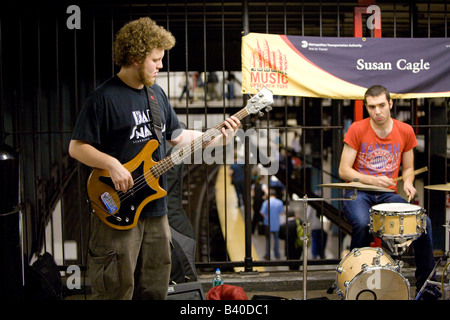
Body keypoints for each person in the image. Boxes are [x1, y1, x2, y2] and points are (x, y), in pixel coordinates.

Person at [68, 17, 240, 300]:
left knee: (155, 285)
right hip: (117, 206)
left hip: (155, 208)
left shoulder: (155, 95)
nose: (161, 65)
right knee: (115, 288)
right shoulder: (102, 99)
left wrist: (218, 137)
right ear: (135, 57)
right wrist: (111, 164)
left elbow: (176, 136)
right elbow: (77, 147)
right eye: (156, 59)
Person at [338, 85, 438, 299]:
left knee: (425, 223)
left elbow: (408, 168)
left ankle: (426, 286)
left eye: (382, 105)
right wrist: (373, 179)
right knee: (363, 224)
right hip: (358, 191)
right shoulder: (357, 129)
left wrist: (409, 182)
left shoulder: (405, 130)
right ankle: (354, 280)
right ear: (366, 107)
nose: (378, 111)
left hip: (387, 194)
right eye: (372, 107)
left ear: (390, 104)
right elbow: (343, 170)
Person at [260, 188, 284, 260]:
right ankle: (277, 254)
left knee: (268, 240)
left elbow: (262, 212)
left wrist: (266, 216)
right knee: (276, 240)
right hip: (276, 224)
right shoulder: (279, 202)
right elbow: (281, 213)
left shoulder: (266, 202)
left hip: (268, 223)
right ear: (275, 195)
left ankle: (267, 255)